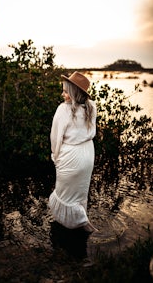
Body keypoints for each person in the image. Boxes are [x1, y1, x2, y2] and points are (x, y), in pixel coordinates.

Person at [48, 71, 98, 233]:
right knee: (80, 193)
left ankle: (79, 224)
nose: (63, 94)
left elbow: (56, 138)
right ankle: (82, 221)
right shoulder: (93, 107)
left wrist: (55, 157)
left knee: (65, 195)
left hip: (71, 157)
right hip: (88, 154)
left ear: (74, 93)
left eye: (65, 91)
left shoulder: (63, 110)